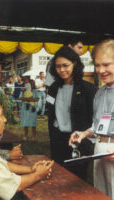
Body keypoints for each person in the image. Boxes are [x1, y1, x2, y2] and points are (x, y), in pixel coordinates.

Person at [69, 39, 114, 198]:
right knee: (101, 194)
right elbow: (97, 126)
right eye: (97, 65)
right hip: (99, 152)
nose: (101, 70)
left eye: (107, 64)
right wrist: (83, 134)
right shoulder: (100, 93)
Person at [47, 46, 96, 180]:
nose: (62, 70)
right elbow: (50, 114)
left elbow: (94, 118)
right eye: (58, 66)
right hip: (58, 140)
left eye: (65, 65)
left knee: (77, 180)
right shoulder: (53, 88)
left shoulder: (87, 89)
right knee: (57, 177)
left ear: (74, 64)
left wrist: (87, 140)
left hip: (77, 141)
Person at [20, 77, 39, 141]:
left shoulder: (35, 91)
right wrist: (27, 99)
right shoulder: (23, 90)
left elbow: (37, 98)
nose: (32, 85)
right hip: (25, 108)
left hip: (33, 108)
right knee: (26, 123)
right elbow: (20, 98)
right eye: (31, 84)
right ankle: (26, 136)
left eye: (33, 84)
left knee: (33, 123)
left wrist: (32, 99)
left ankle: (34, 136)